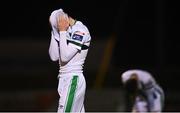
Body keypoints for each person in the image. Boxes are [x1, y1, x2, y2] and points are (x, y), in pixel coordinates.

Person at [48, 8, 91, 112]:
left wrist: (62, 31)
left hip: (73, 80)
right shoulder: (62, 31)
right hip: (64, 79)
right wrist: (54, 31)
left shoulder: (80, 30)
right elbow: (54, 56)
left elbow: (65, 56)